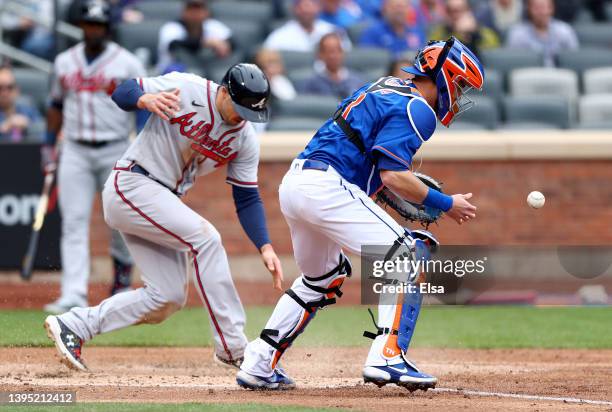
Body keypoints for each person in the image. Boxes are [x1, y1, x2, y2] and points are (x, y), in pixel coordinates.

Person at [236, 36, 483, 390]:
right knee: (408, 253)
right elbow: (394, 174)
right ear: (442, 75)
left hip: (297, 183)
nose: (458, 96)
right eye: (458, 85)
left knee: (321, 278)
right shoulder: (419, 108)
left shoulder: (386, 86)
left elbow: (365, 158)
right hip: (327, 188)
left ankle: (258, 362)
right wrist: (448, 204)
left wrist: (379, 192)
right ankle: (388, 356)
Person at [44, 63, 284, 371]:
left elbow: (247, 196)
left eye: (251, 112)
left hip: (159, 199)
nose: (242, 117)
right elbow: (123, 89)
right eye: (240, 108)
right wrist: (144, 99)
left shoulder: (244, 139)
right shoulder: (187, 87)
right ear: (224, 92)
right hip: (132, 183)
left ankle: (74, 325)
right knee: (206, 238)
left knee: (166, 297)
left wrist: (264, 245)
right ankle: (233, 348)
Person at [41, 0, 146, 315]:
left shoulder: (126, 63)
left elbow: (145, 106)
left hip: (116, 148)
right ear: (81, 26)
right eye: (89, 24)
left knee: (118, 220)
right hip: (74, 148)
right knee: (73, 222)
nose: (93, 30)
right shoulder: (64, 62)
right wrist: (48, 145)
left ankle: (122, 283)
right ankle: (73, 292)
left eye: (99, 25)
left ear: (107, 27)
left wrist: (141, 147)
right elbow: (55, 106)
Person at [157, 0, 232, 73]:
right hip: (170, 73)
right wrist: (204, 42)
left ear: (207, 12)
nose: (195, 14)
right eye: (191, 9)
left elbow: (233, 41)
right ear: (183, 12)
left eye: (199, 9)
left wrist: (225, 44)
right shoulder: (171, 27)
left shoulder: (212, 25)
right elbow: (173, 45)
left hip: (205, 73)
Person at [506, 0, 579, 67]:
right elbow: (513, 63)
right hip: (529, 76)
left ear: (552, 8)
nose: (541, 12)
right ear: (529, 9)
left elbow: (573, 60)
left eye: (544, 7)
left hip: (559, 77)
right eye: (537, 8)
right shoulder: (517, 34)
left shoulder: (565, 31)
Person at [264, 0, 351, 52]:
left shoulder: (333, 30)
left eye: (312, 4)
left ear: (319, 7)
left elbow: (347, 54)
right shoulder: (280, 36)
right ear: (295, 9)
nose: (308, 10)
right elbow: (267, 56)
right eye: (303, 6)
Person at [300, 33, 363, 99]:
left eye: (338, 51)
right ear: (320, 55)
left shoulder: (356, 81)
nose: (333, 56)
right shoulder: (311, 84)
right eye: (329, 51)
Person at [429, 0, 500, 57]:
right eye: (450, 10)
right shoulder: (439, 32)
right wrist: (457, 33)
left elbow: (494, 51)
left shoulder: (481, 31)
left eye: (459, 10)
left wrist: (474, 34)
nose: (454, 15)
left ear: (468, 11)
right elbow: (432, 52)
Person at [359, 0, 425, 56]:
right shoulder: (372, 33)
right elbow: (367, 59)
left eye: (404, 7)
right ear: (384, 9)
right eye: (395, 7)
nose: (400, 11)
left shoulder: (416, 31)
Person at [0, 66, 42, 143]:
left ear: (17, 90)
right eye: (0, 88)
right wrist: (4, 127)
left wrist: (28, 126)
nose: (4, 93)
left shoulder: (29, 110)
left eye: (9, 87)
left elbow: (43, 132)